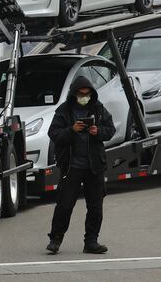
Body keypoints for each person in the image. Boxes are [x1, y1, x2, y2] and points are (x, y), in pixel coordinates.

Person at [46, 76, 115, 255]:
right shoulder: (64, 111)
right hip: (72, 166)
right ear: (75, 93)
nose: (84, 97)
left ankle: (91, 242)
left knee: (95, 206)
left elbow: (110, 130)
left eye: (87, 94)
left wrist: (98, 131)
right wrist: (72, 130)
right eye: (81, 94)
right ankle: (55, 239)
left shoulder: (98, 109)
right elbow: (53, 133)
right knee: (65, 204)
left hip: (94, 166)